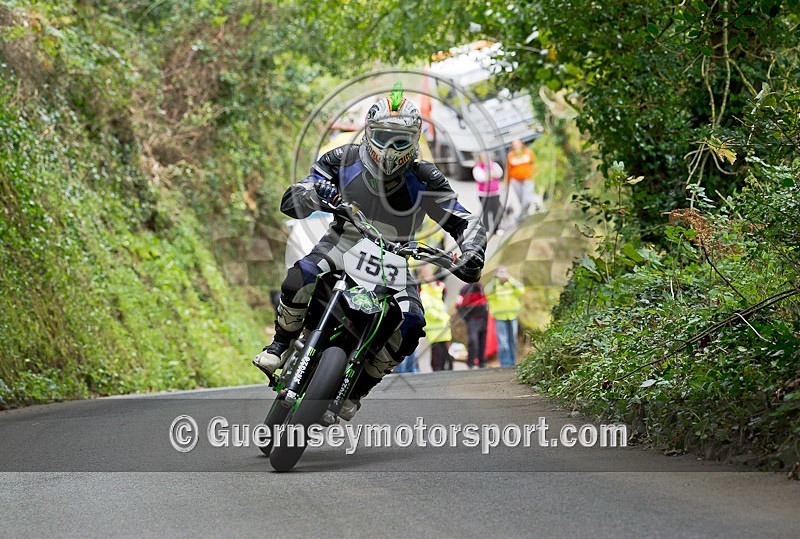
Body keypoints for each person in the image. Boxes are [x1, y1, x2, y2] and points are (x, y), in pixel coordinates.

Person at [252, 85, 487, 419]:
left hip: (394, 258)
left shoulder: (426, 178)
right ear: (368, 133)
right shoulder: (341, 159)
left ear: (415, 140)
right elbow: (299, 191)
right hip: (344, 240)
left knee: (412, 323)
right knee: (300, 275)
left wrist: (472, 251)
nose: (390, 149)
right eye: (384, 137)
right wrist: (315, 194)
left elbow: (464, 220)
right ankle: (280, 344)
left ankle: (358, 389)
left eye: (400, 140)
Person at [485, 266, 525, 367]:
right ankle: (505, 363)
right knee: (503, 342)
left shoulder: (511, 284)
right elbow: (487, 292)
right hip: (499, 317)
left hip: (512, 316)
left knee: (512, 341)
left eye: (504, 272)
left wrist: (510, 279)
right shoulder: (494, 286)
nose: (502, 274)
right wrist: (494, 280)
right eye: (500, 272)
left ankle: (512, 362)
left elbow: (521, 290)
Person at [418, 264, 453, 371]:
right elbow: (428, 311)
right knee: (437, 354)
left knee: (444, 354)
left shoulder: (437, 292)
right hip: (435, 329)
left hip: (443, 329)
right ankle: (437, 371)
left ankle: (444, 369)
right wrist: (441, 317)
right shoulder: (425, 294)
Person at [456, 281, 489, 368]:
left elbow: (485, 301)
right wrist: (466, 318)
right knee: (473, 341)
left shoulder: (481, 288)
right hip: (472, 320)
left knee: (482, 340)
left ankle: (482, 362)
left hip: (483, 318)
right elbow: (458, 304)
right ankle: (471, 362)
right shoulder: (465, 289)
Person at [506, 138, 537, 222]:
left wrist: (536, 177)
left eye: (517, 144)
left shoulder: (528, 152)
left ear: (521, 144)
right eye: (514, 144)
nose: (516, 146)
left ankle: (521, 215)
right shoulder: (511, 155)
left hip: (527, 178)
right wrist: (507, 182)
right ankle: (523, 216)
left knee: (527, 199)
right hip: (516, 180)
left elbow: (534, 165)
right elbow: (508, 170)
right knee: (520, 199)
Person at [472, 153, 503, 235]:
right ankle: (487, 229)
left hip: (495, 193)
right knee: (486, 211)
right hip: (484, 194)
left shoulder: (495, 165)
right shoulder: (477, 168)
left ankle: (497, 228)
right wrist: (491, 175)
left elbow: (499, 173)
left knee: (495, 211)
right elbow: (481, 178)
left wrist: (488, 176)